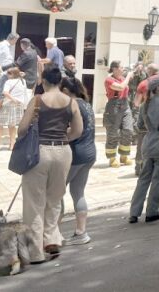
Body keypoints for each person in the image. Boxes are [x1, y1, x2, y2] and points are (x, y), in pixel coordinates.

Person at [17, 65, 83, 263]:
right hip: (63, 151)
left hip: (40, 152)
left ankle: (36, 252)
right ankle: (51, 240)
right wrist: (63, 138)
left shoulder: (37, 100)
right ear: (60, 81)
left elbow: (21, 129)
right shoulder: (71, 102)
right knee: (54, 199)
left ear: (43, 81)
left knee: (33, 203)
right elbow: (78, 131)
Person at [128, 78, 159, 224]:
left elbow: (139, 125)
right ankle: (152, 211)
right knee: (158, 179)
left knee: (143, 179)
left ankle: (134, 212)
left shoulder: (143, 105)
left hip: (147, 144)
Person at [60, 77, 96, 245]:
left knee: (56, 192)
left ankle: (53, 234)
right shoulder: (87, 104)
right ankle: (81, 232)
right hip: (89, 153)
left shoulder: (73, 105)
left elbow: (74, 131)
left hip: (75, 154)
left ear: (66, 91)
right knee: (78, 192)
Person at [103, 61, 136, 167]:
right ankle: (112, 158)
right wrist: (128, 77)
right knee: (113, 132)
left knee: (128, 130)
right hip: (114, 106)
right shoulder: (109, 79)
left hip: (125, 105)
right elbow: (121, 87)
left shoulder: (122, 78)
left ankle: (124, 156)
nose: (124, 69)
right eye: (122, 67)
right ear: (115, 69)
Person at [0, 68, 27, 152]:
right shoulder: (23, 81)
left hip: (8, 104)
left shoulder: (8, 82)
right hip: (19, 105)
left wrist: (13, 99)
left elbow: (5, 92)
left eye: (9, 73)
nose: (8, 75)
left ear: (13, 74)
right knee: (12, 125)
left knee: (0, 124)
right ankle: (12, 144)